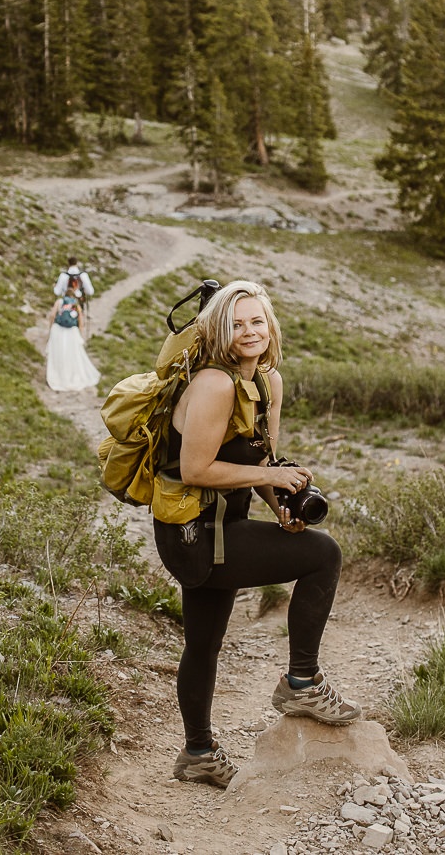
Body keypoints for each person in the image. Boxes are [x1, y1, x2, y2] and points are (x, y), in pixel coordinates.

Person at [152, 279, 358, 788]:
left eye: (257, 321)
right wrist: (268, 478)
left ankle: (197, 754)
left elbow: (260, 457)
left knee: (204, 642)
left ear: (271, 326)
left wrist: (281, 506)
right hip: (194, 535)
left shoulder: (268, 383)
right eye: (237, 323)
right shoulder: (213, 384)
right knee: (323, 555)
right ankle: (302, 681)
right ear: (220, 330)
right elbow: (197, 468)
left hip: (229, 524)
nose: (249, 331)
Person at [44, 293, 101, 392]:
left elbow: (52, 315)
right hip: (71, 331)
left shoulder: (59, 302)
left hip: (58, 330)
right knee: (71, 354)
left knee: (58, 353)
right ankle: (70, 375)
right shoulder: (75, 304)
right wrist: (80, 334)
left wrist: (50, 328)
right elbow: (80, 321)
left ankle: (57, 375)